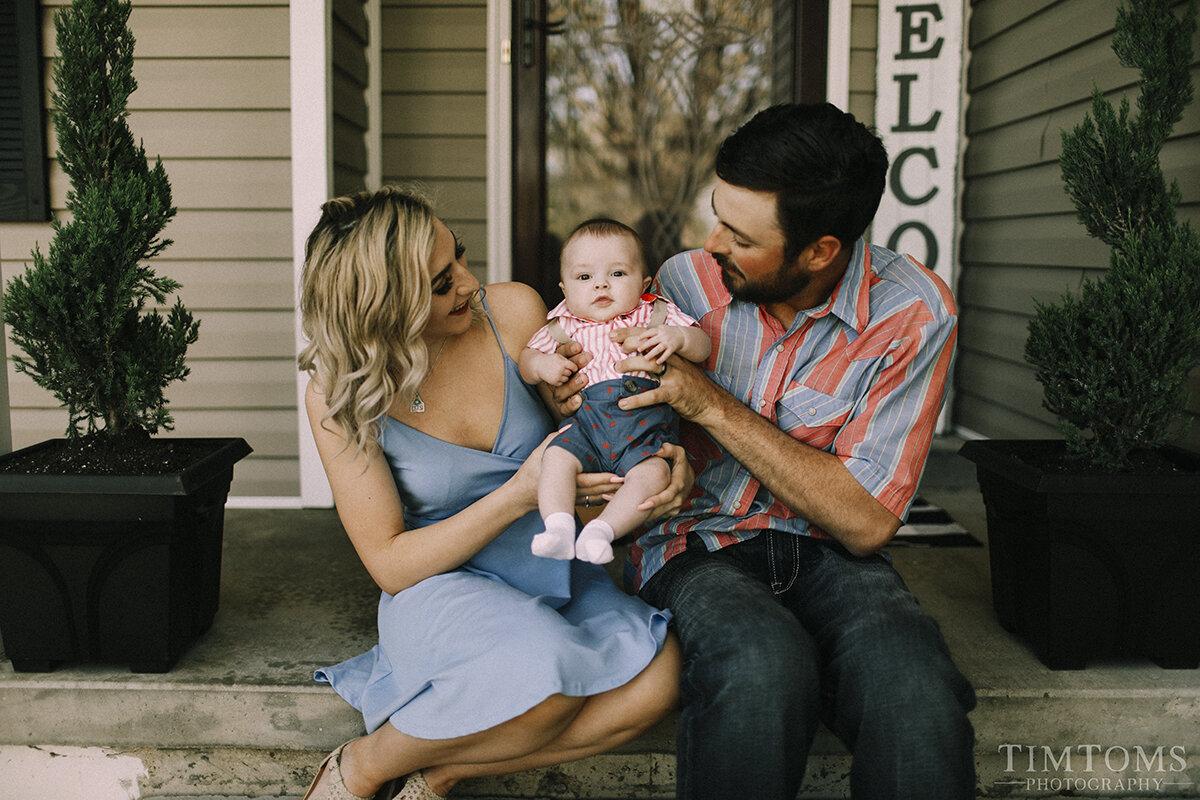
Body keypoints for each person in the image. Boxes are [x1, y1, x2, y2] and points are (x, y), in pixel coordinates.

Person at [576, 103, 978, 798]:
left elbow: (865, 520)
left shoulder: (911, 314)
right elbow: (598, 399)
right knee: (763, 666)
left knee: (914, 687)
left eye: (739, 235)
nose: (711, 243)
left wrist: (707, 403)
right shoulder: (681, 283)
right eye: (716, 215)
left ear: (820, 250)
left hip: (832, 554)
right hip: (692, 545)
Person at [297, 186, 684, 800]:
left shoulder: (516, 313)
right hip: (441, 581)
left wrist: (654, 467)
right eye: (441, 283)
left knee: (658, 683)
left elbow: (593, 438)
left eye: (460, 259)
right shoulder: (339, 393)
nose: (471, 284)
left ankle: (440, 772)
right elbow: (391, 563)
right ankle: (364, 765)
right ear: (382, 306)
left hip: (553, 558)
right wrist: (517, 494)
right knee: (546, 682)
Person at [520, 219, 710, 565]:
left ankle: (601, 532)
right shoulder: (563, 327)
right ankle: (559, 527)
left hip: (644, 432)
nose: (601, 285)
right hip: (587, 429)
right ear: (564, 289)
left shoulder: (654, 315)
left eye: (618, 274)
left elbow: (702, 347)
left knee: (655, 474)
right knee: (555, 458)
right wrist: (542, 366)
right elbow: (526, 360)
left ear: (644, 283)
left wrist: (679, 338)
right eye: (584, 278)